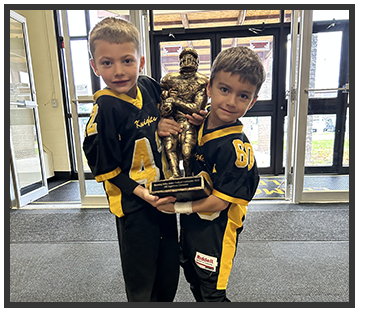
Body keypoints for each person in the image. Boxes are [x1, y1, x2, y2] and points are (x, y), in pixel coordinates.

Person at [82, 17, 205, 302]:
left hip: (165, 196)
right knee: (141, 279)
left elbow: (169, 114)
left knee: (168, 271)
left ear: (140, 61)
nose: (119, 71)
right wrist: (143, 194)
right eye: (107, 63)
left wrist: (191, 118)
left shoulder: (149, 86)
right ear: (95, 66)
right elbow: (107, 169)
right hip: (135, 206)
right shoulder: (105, 110)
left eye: (127, 60)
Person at [157, 46, 266, 302]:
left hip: (217, 229)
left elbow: (221, 200)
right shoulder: (202, 122)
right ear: (209, 88)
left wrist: (177, 209)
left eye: (243, 96)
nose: (230, 101)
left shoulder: (235, 148)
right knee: (192, 275)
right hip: (195, 221)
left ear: (252, 102)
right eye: (224, 89)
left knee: (212, 293)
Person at [159, 48, 209, 178]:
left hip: (189, 121)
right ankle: (175, 175)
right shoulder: (169, 79)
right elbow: (163, 106)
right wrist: (168, 105)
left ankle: (188, 177)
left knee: (188, 153)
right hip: (172, 121)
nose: (187, 60)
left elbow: (196, 108)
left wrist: (174, 100)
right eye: (184, 57)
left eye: (191, 58)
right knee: (169, 147)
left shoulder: (202, 81)